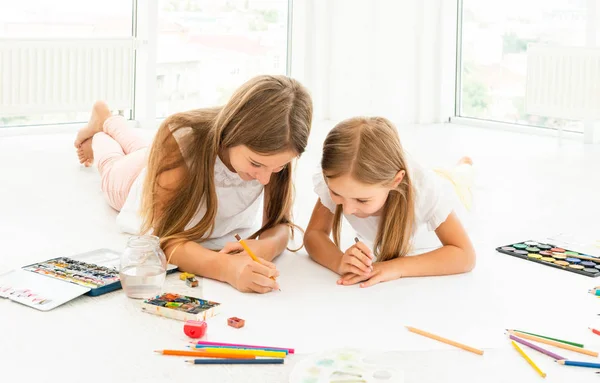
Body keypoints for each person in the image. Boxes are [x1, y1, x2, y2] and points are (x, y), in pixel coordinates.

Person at [74, 75, 313, 293]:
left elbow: (280, 225)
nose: (265, 179)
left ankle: (110, 120)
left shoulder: (277, 147)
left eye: (278, 167)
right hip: (133, 179)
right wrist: (226, 268)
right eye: (256, 164)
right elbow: (165, 238)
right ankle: (101, 127)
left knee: (141, 149)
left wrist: (266, 247)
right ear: (232, 131)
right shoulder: (183, 137)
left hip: (164, 163)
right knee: (112, 166)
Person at [304, 116, 475, 288]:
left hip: (452, 190)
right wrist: (339, 261)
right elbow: (314, 234)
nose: (347, 209)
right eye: (336, 193)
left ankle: (464, 167)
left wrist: (396, 267)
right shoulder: (341, 179)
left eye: (362, 200)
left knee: (459, 178)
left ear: (395, 181)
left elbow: (465, 255)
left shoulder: (425, 191)